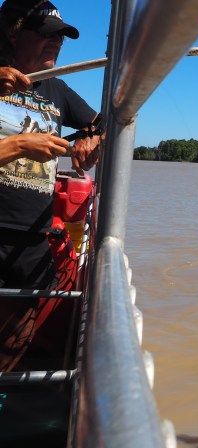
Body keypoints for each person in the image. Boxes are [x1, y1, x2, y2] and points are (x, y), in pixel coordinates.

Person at [0, 0, 100, 371]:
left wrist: (93, 142)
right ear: (13, 31)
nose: (56, 42)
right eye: (45, 34)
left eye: (61, 36)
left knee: (17, 336)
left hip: (32, 236)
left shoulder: (56, 90)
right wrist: (22, 144)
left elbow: (105, 124)